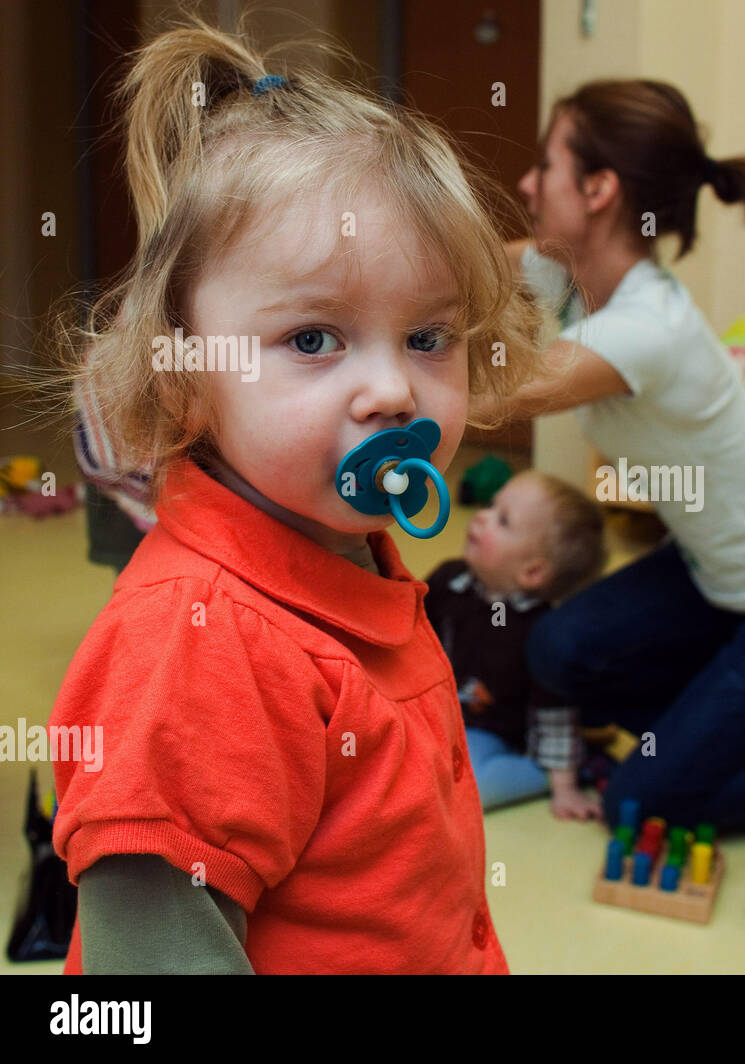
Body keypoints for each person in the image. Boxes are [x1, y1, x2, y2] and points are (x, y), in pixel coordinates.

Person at [43, 17, 538, 973]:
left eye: (430, 338)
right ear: (181, 377)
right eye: (314, 339)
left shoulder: (334, 544)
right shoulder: (197, 649)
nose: (394, 390)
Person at [479, 79, 745, 832]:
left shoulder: (646, 327)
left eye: (546, 166)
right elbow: (478, 265)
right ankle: (703, 729)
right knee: (559, 650)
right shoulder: (577, 276)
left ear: (601, 188)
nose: (526, 183)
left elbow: (487, 398)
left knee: (643, 804)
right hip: (715, 577)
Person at [424, 471, 607, 818]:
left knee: (468, 786)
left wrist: (563, 788)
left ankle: (568, 769)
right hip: (438, 717)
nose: (481, 515)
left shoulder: (541, 633)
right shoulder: (450, 580)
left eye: (502, 520)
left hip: (494, 736)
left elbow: (553, 714)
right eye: (492, 506)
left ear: (532, 572)